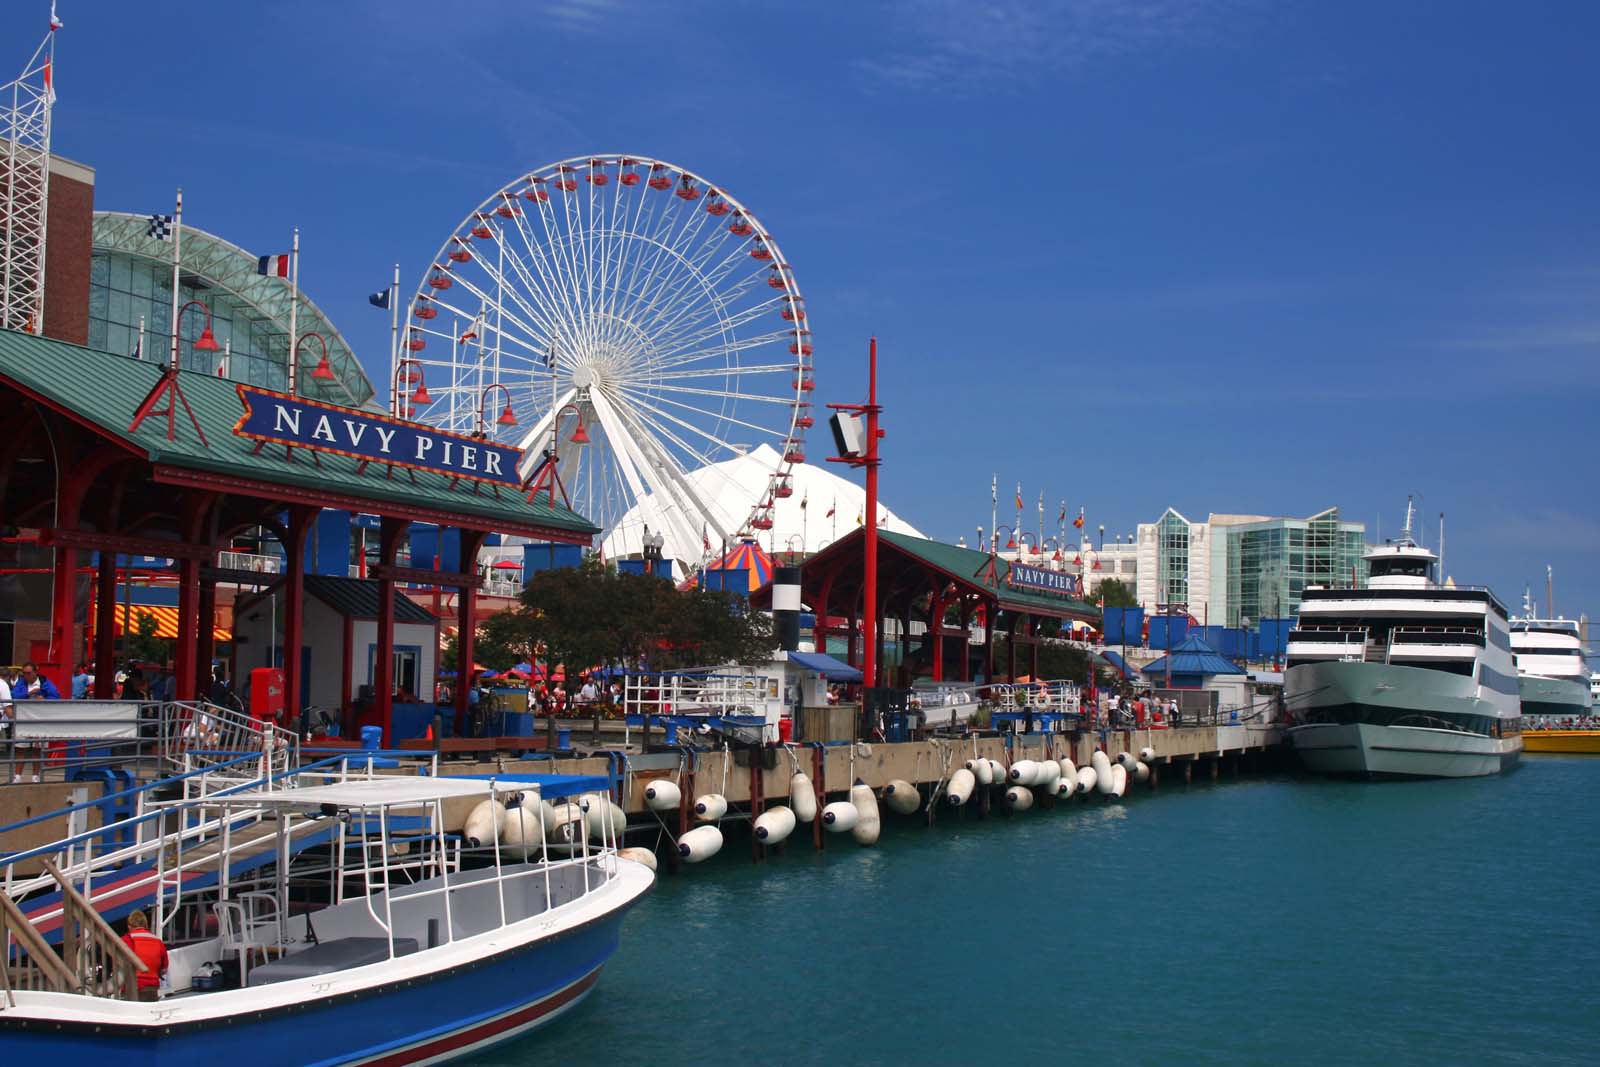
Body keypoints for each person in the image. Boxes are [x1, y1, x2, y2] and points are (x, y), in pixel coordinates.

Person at [120, 909, 169, 1001]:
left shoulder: (126, 940)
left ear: (129, 926)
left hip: (132, 987)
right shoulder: (157, 941)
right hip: (152, 988)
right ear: (145, 925)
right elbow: (164, 969)